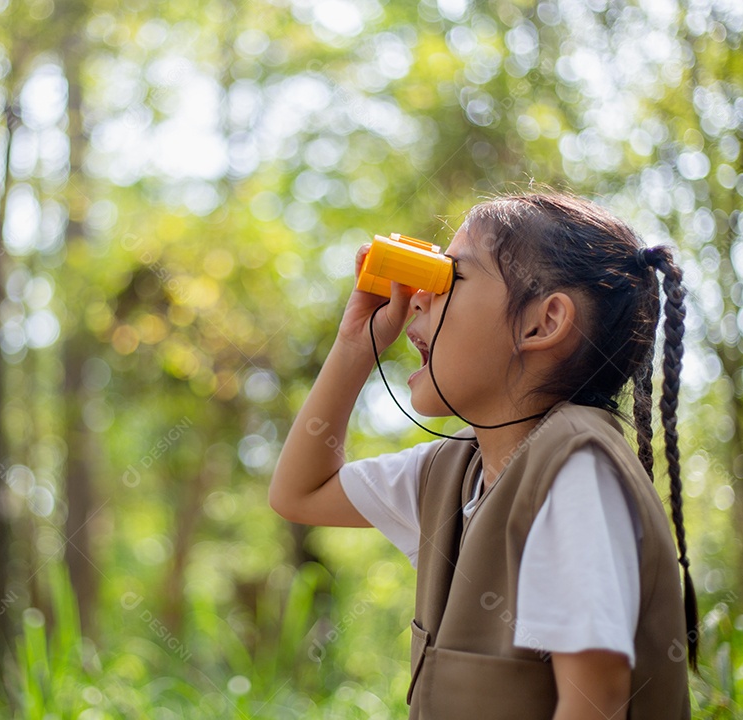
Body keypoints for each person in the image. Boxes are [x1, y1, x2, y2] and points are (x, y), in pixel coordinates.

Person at [269, 192, 696, 720]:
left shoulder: (578, 466)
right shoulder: (451, 473)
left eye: (453, 276)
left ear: (542, 324)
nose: (418, 298)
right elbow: (298, 493)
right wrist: (355, 345)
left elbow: (596, 699)